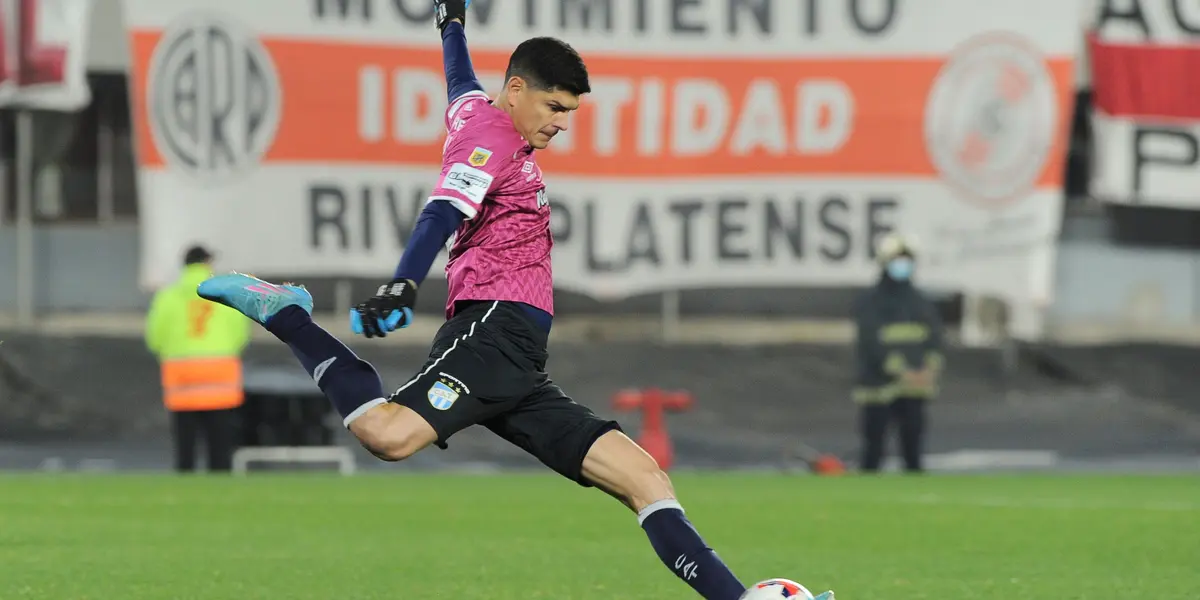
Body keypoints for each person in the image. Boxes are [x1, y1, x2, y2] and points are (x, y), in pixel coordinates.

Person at [195, 3, 834, 599]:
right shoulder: (493, 139)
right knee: (385, 435)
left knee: (645, 480)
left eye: (571, 113)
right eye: (555, 106)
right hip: (493, 332)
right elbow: (443, 209)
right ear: (519, 90)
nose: (560, 123)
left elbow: (457, 80)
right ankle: (285, 314)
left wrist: (450, 21)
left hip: (520, 363)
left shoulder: (475, 112)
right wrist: (405, 280)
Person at [145, 245, 251, 473]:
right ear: (207, 263)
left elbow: (155, 335)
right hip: (220, 374)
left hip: (182, 375)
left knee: (185, 446)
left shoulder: (167, 296)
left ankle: (184, 493)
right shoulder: (226, 293)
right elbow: (241, 332)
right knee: (220, 447)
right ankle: (221, 494)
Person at [851, 234, 944, 474]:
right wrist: (901, 370)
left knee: (913, 448)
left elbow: (934, 339)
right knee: (873, 450)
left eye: (906, 260)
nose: (902, 266)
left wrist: (929, 369)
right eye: (897, 260)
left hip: (914, 388)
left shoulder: (921, 301)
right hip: (878, 387)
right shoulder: (871, 301)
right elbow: (871, 342)